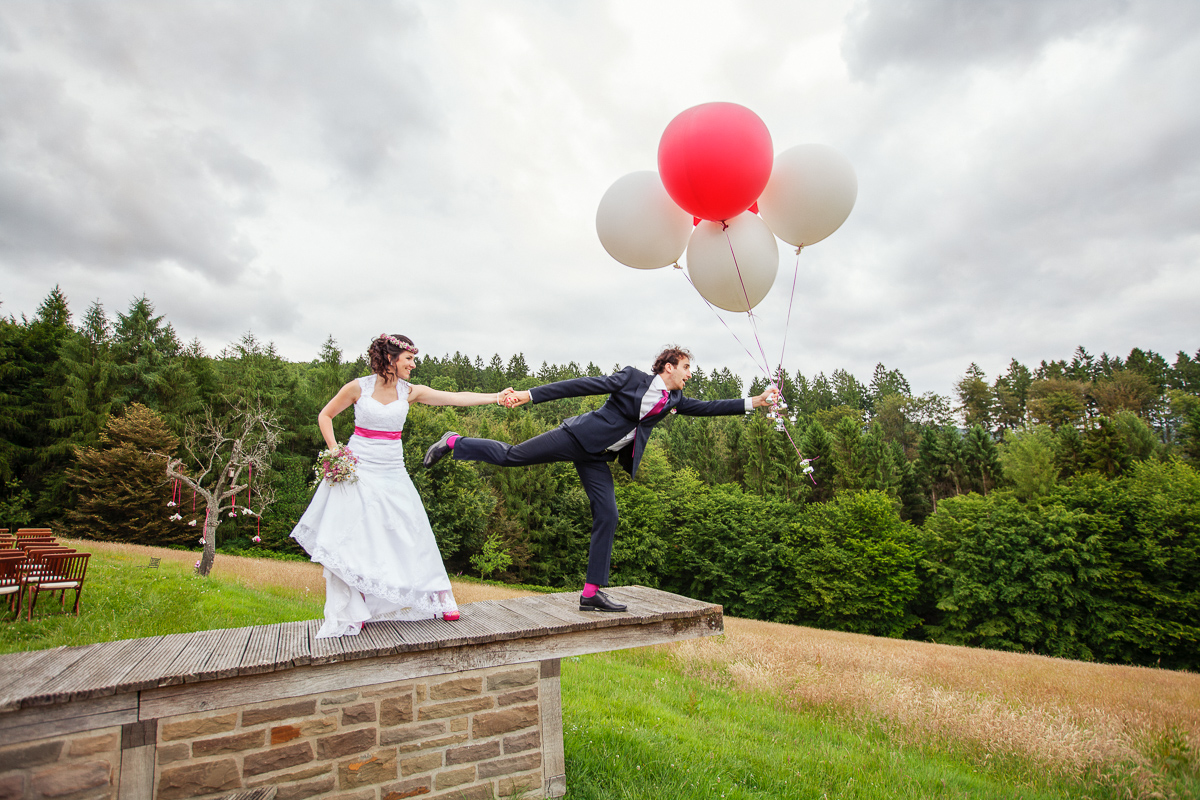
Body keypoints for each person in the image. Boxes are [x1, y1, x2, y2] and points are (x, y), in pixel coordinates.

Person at [423, 346, 776, 612]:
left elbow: (710, 407)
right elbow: (580, 386)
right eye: (685, 368)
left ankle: (591, 593)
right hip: (577, 436)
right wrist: (530, 396)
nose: (689, 374)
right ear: (668, 367)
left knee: (608, 514)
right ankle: (455, 441)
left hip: (598, 457)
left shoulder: (675, 399)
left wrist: (755, 402)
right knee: (513, 456)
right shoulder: (632, 378)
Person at [292, 333, 514, 637]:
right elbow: (326, 415)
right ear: (390, 358)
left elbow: (455, 397)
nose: (413, 364)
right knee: (355, 535)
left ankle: (437, 594)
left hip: (392, 467)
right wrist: (335, 450)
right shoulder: (358, 387)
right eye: (409, 359)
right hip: (358, 467)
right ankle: (357, 603)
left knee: (410, 527)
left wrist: (496, 397)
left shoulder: (410, 391)